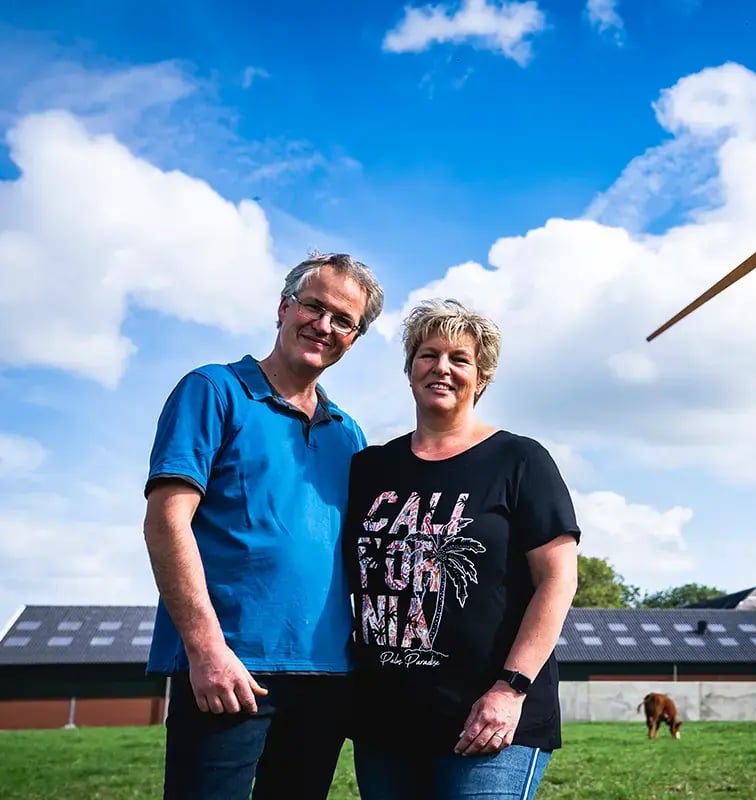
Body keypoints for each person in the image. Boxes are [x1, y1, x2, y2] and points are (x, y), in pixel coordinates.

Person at [142, 252, 385, 799]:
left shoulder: (349, 433)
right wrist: (206, 649)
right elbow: (165, 522)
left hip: (326, 675)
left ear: (353, 339)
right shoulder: (212, 390)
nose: (324, 326)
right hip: (230, 668)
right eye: (314, 307)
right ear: (283, 307)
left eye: (344, 321)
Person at [345, 298, 580, 799]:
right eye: (428, 355)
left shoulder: (520, 460)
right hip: (386, 718)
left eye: (460, 359)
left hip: (490, 715)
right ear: (409, 369)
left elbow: (558, 580)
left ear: (483, 378)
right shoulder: (368, 469)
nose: (441, 368)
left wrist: (510, 688)